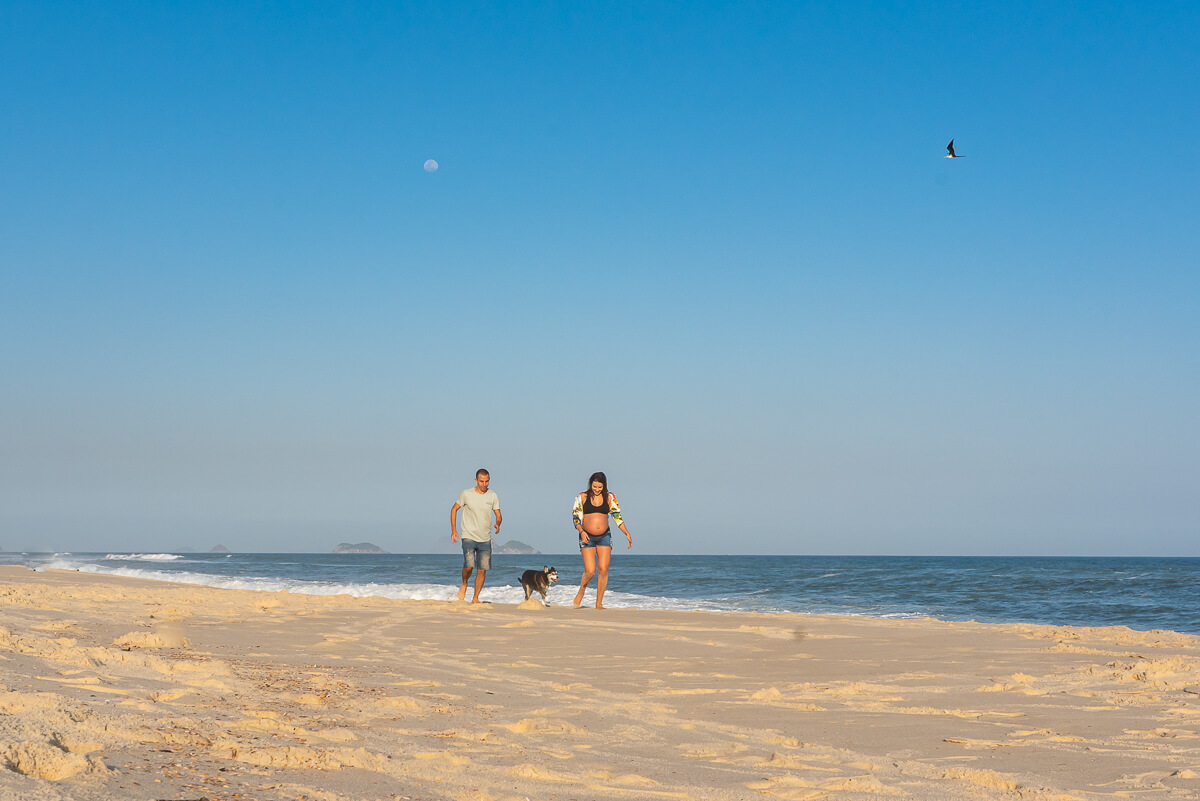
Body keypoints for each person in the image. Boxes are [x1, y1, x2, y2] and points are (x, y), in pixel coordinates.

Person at [571, 471, 632, 609]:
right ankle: (582, 590)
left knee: (603, 570)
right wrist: (581, 532)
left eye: (600, 487)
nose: (597, 489)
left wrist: (626, 533)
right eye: (594, 486)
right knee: (590, 571)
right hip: (587, 536)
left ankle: (599, 603)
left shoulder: (610, 497)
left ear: (604, 485)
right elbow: (576, 517)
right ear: (590, 484)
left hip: (604, 536)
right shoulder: (582, 496)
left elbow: (617, 517)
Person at [450, 468, 502, 603]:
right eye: (481, 481)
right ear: (476, 480)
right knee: (468, 565)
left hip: (485, 538)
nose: (484, 484)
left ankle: (475, 598)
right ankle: (464, 582)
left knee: (482, 570)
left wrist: (498, 523)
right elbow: (454, 509)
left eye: (487, 481)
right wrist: (454, 530)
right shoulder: (466, 494)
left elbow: (498, 515)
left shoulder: (493, 495)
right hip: (468, 535)